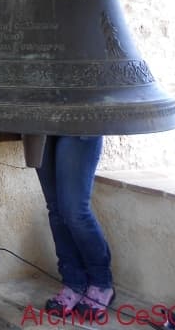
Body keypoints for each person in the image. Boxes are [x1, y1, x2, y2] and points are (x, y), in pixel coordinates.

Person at [37, 135, 115, 319]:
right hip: (38, 123)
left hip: (79, 121)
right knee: (56, 209)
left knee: (75, 211)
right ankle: (73, 282)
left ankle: (101, 282)